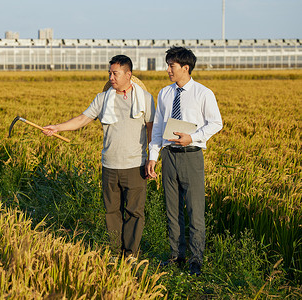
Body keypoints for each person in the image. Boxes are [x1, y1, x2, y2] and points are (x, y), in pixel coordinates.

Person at [43, 55, 155, 259]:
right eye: (109, 73)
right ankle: (114, 252)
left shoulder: (145, 98)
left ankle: (130, 254)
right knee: (111, 212)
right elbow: (83, 118)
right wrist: (58, 128)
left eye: (115, 73)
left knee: (134, 212)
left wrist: (152, 158)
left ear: (128, 74)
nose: (111, 77)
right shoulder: (102, 98)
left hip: (135, 165)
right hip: (110, 164)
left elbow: (151, 130)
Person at [145, 46, 222, 276]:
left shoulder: (203, 93)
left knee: (195, 211)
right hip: (169, 156)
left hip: (191, 156)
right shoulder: (165, 94)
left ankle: (195, 260)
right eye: (168, 65)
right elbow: (158, 127)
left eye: (172, 66)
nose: (168, 70)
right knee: (172, 210)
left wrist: (193, 137)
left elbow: (216, 123)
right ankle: (176, 256)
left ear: (185, 68)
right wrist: (153, 156)